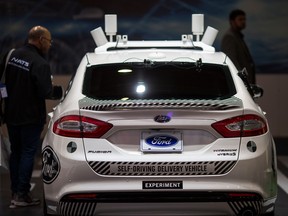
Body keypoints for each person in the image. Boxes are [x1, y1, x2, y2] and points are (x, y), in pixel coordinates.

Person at [1, 26, 54, 208]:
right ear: (40, 40)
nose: (50, 44)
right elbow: (46, 91)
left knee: (16, 152)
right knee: (27, 153)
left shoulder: (11, 55)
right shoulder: (40, 63)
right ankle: (22, 194)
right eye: (48, 40)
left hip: (11, 114)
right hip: (31, 117)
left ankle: (16, 192)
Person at [221, 9, 256, 84]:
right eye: (240, 19)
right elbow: (232, 62)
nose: (243, 21)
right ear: (232, 21)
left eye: (244, 19)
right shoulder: (229, 37)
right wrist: (242, 81)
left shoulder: (237, 36)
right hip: (240, 83)